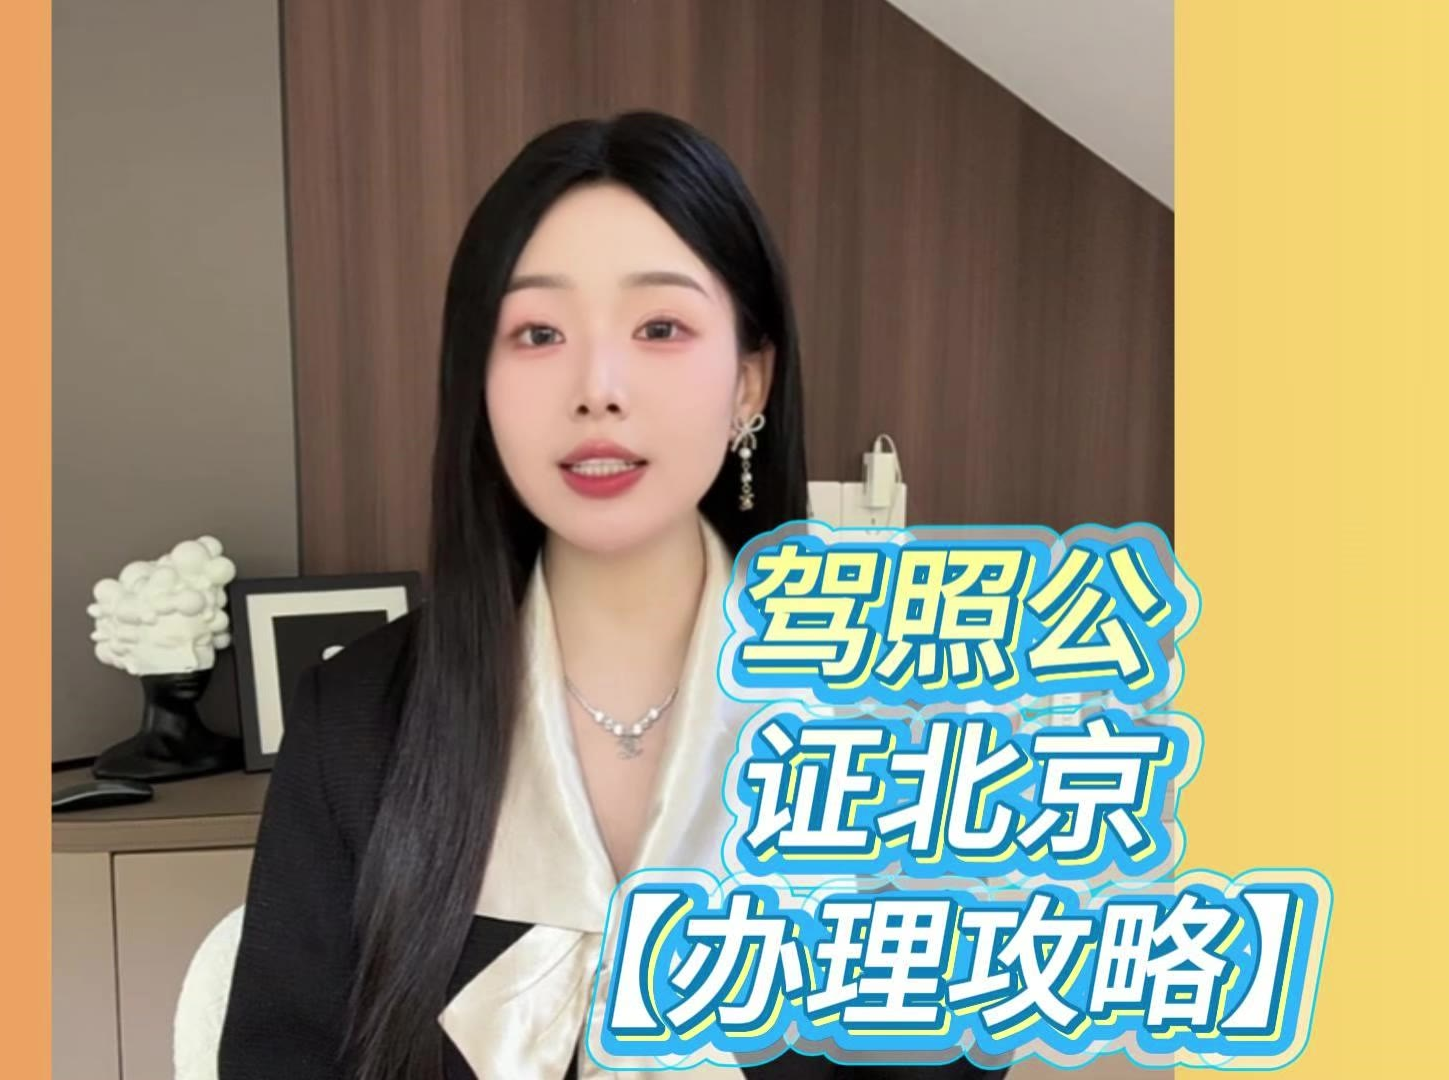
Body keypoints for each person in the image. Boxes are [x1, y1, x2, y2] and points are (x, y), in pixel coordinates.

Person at [218, 110, 1008, 1080]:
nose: (598, 387)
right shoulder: (353, 721)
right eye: (539, 332)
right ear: (479, 383)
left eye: (660, 328)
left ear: (749, 383)